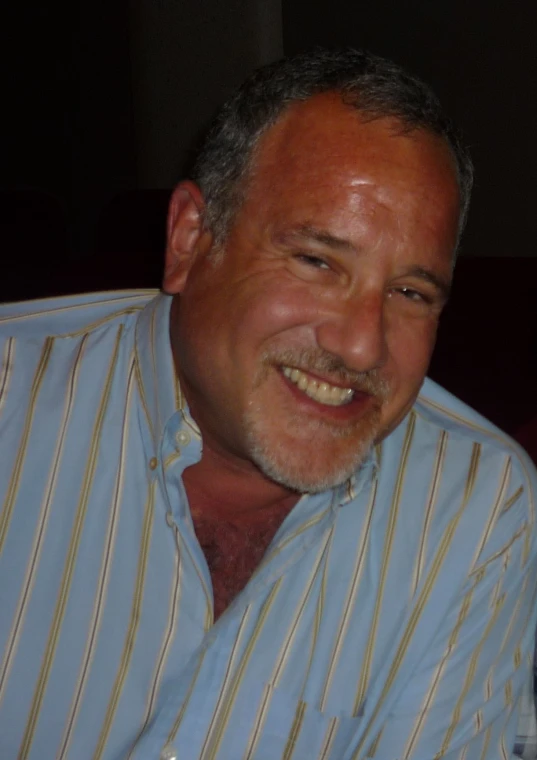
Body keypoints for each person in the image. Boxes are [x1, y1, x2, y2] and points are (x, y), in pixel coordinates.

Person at [0, 48, 536, 760]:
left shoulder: (477, 505)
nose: (359, 347)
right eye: (317, 261)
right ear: (190, 238)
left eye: (409, 293)